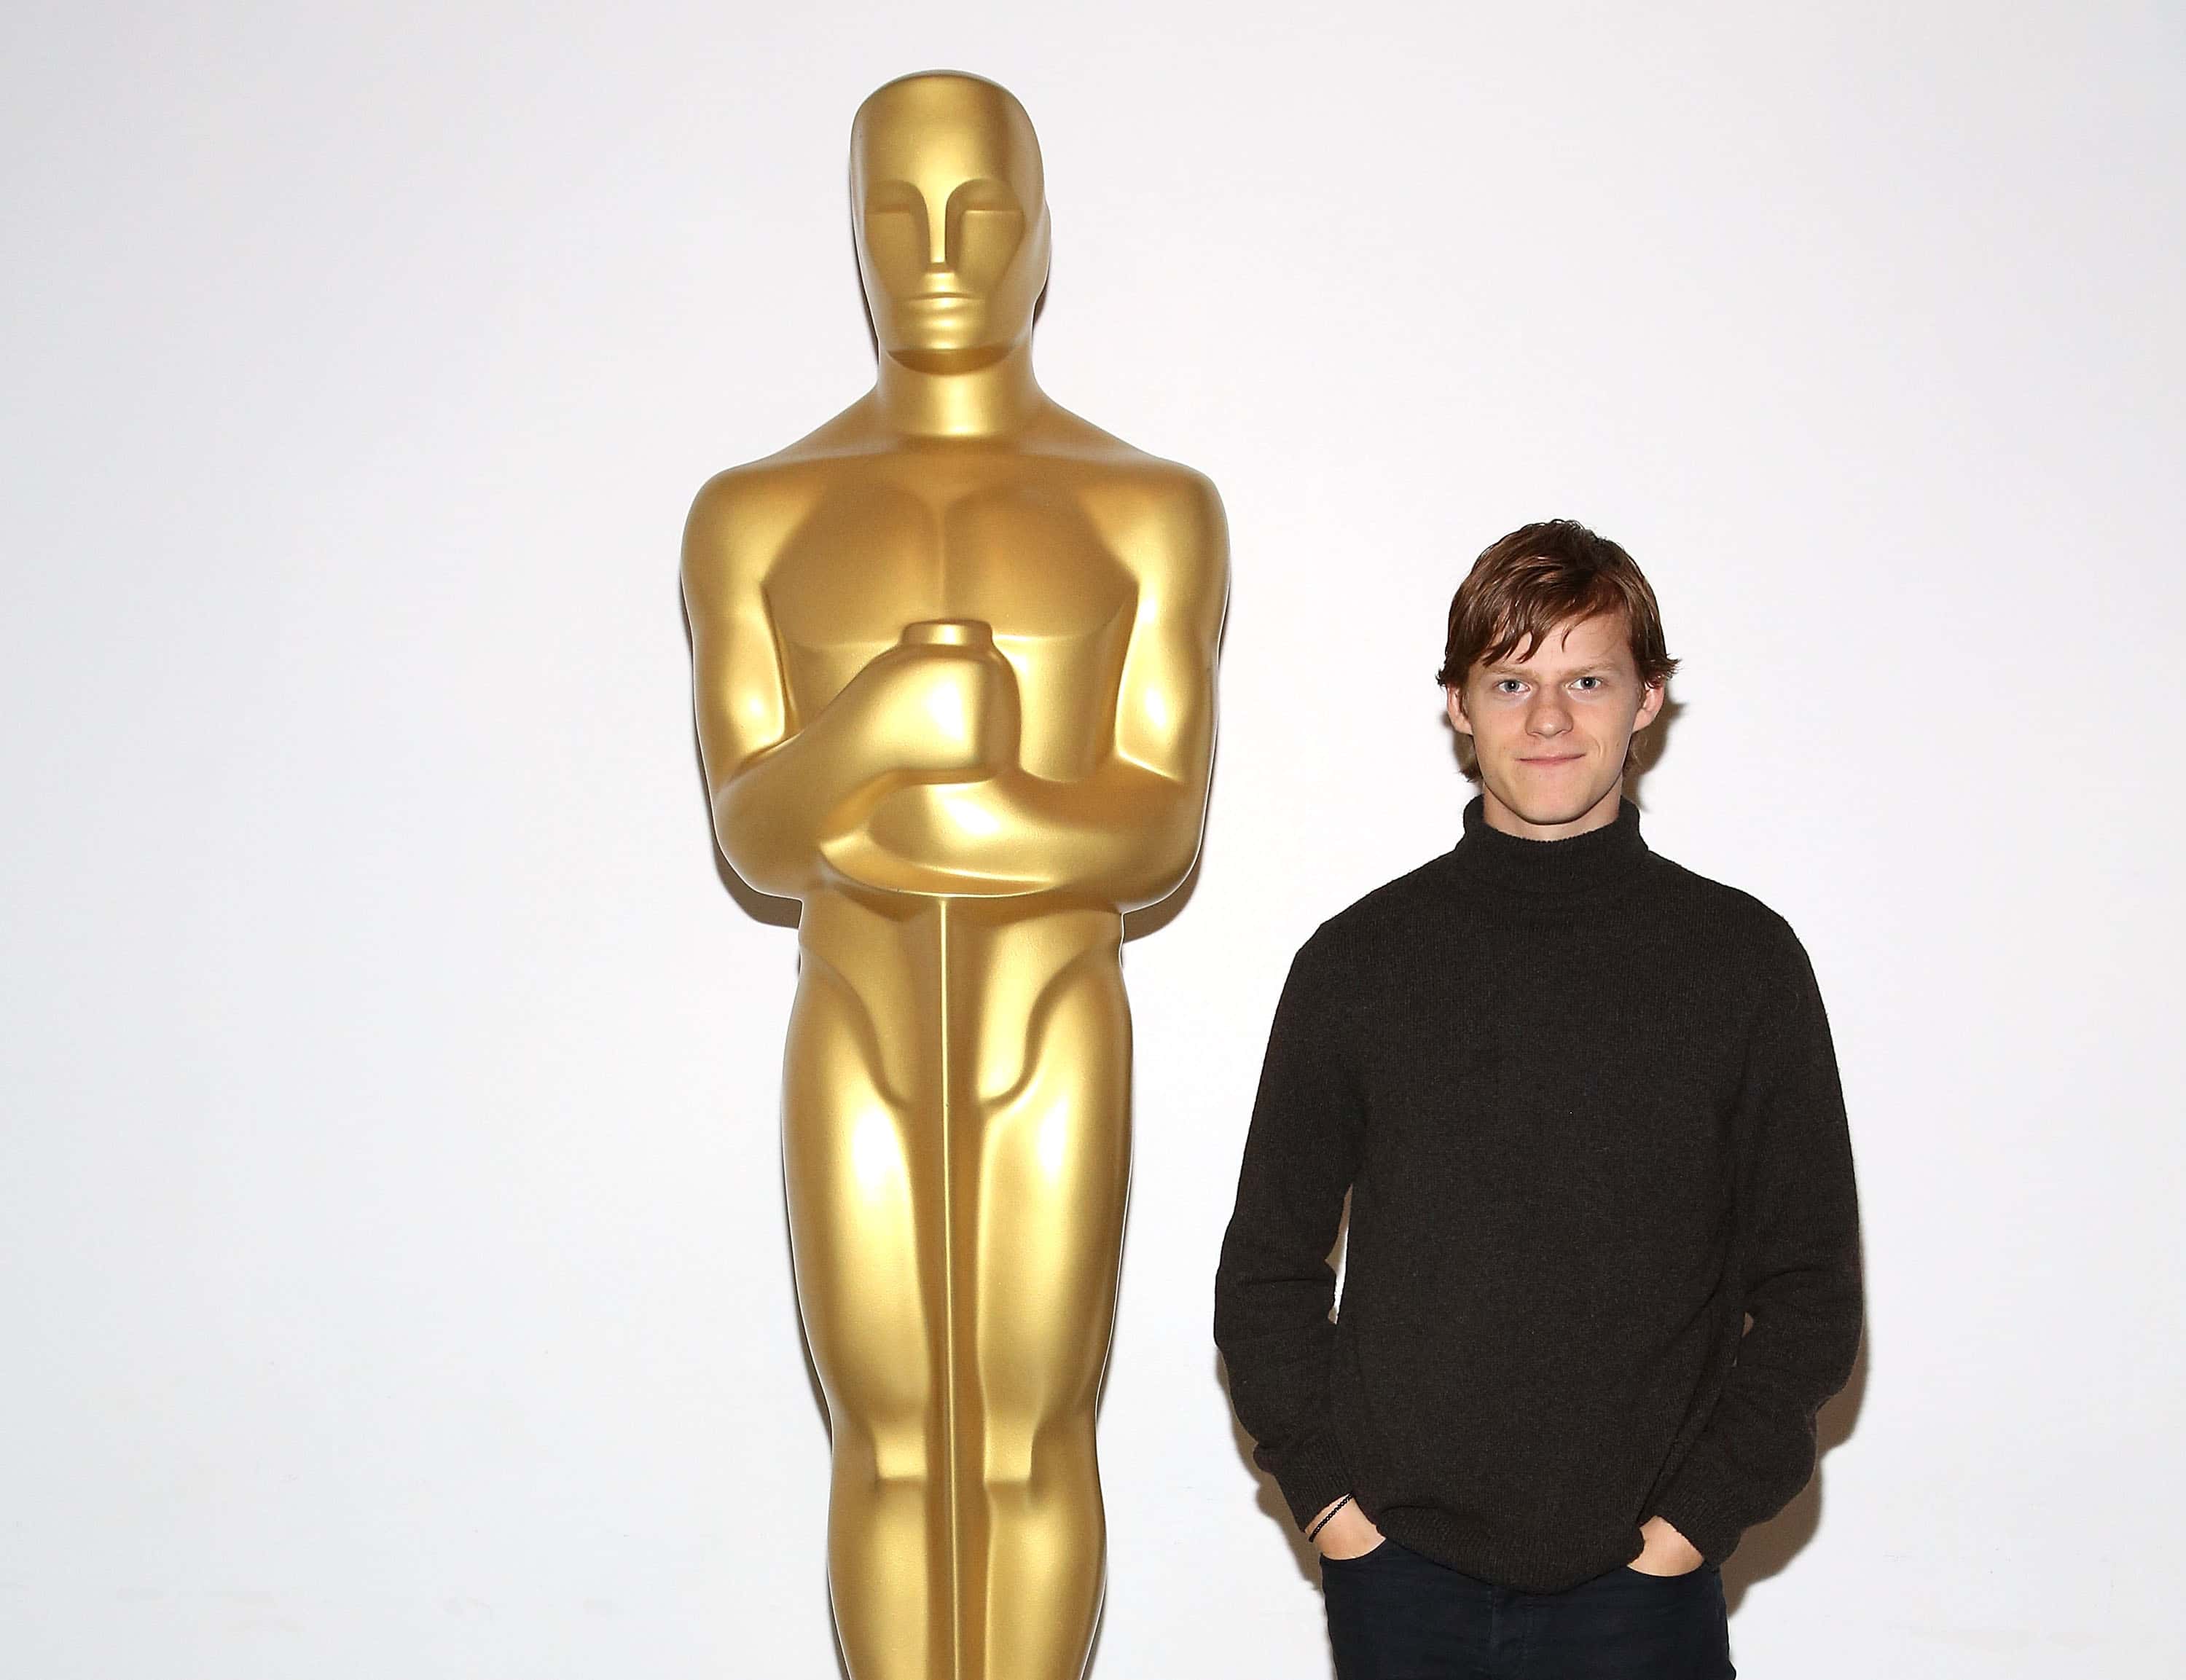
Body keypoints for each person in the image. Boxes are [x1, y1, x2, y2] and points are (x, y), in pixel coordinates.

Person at [1212, 519, 1862, 1679]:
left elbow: (1812, 1294)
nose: (1549, 719)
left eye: (1588, 678)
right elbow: (1264, 1272)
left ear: (1648, 698)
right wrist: (1334, 1509)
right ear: (1459, 705)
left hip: (1642, 1593)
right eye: (1511, 680)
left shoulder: (1743, 963)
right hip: (1400, 1579)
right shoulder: (1359, 964)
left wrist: (1692, 1528)